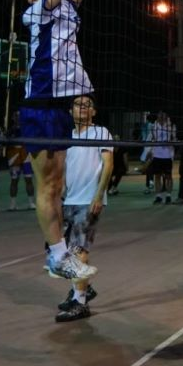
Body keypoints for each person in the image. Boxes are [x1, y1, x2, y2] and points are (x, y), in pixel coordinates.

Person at [16, 0, 108, 281]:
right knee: (48, 185)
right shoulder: (35, 13)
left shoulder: (66, 9)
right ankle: (57, 255)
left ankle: (58, 254)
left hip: (62, 104)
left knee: (57, 185)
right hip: (39, 102)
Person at [54, 96, 114, 322]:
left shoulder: (100, 132)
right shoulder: (67, 137)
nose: (83, 107)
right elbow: (64, 168)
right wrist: (60, 195)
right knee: (66, 254)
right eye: (78, 104)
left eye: (88, 105)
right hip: (69, 200)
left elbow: (108, 164)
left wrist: (99, 195)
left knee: (79, 251)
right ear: (70, 111)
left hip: (89, 200)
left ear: (94, 112)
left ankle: (80, 303)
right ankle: (83, 289)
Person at [149, 111, 176, 205]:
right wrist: (151, 151)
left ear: (166, 115)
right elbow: (152, 139)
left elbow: (174, 139)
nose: (161, 116)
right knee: (157, 176)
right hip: (157, 154)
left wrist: (171, 141)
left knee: (169, 176)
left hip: (167, 155)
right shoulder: (154, 126)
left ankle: (168, 196)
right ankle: (158, 196)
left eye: (163, 114)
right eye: (159, 114)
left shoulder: (171, 125)